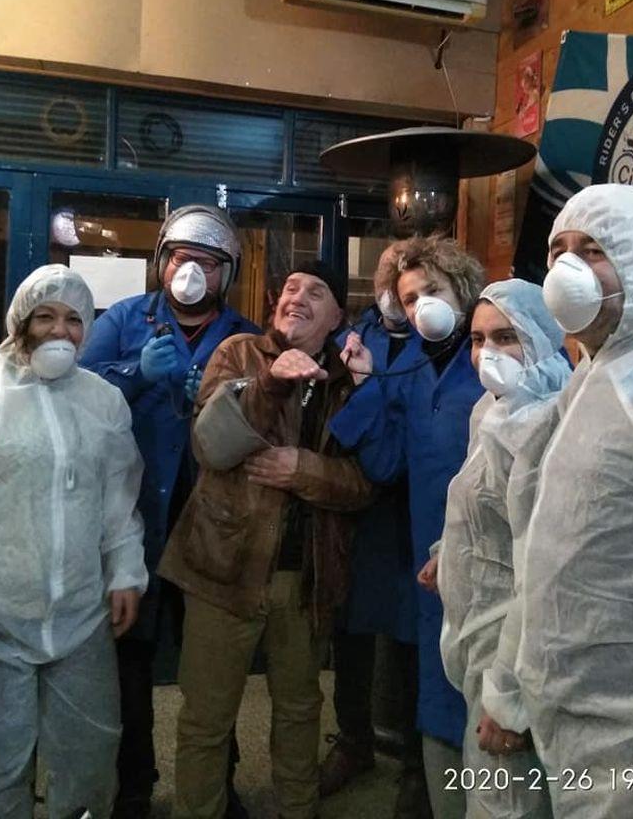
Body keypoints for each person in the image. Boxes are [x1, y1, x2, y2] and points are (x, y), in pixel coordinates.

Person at [159, 260, 374, 819]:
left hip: (304, 580)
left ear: (337, 317)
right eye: (291, 288)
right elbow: (210, 445)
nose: (297, 296)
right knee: (205, 719)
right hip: (222, 569)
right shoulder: (238, 353)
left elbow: (365, 483)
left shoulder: (349, 381)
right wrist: (271, 383)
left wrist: (304, 469)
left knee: (300, 712)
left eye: (317, 292)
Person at [518, 183, 633, 817]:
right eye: (559, 251)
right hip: (578, 719)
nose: (568, 269)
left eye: (594, 250)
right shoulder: (596, 371)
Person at [81, 204, 258, 819]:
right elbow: (80, 392)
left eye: (207, 263)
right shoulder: (124, 319)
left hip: (208, 521)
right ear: (162, 262)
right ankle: (133, 785)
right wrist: (135, 373)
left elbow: (263, 417)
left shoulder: (243, 335)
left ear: (226, 273)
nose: (191, 272)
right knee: (129, 663)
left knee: (212, 666)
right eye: (182, 258)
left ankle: (217, 784)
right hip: (133, 519)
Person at [0, 264, 147, 819]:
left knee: (90, 756)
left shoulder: (103, 400)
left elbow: (119, 498)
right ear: (20, 320)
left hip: (82, 617)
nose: (60, 331)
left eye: (73, 320)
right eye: (45, 316)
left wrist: (125, 571)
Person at [332, 235, 486, 819]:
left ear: (462, 290)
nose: (423, 306)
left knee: (495, 690)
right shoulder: (411, 366)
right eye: (410, 298)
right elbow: (385, 463)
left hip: (493, 551)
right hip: (428, 555)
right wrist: (368, 385)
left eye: (433, 291)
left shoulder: (496, 355)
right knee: (438, 684)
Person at [437, 279, 568, 818]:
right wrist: (447, 551)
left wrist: (508, 696)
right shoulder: (493, 410)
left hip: (513, 648)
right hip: (481, 634)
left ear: (540, 337)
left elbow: (544, 570)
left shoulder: (546, 423)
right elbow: (485, 506)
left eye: (506, 337)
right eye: (477, 339)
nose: (487, 353)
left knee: (506, 803)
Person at [322, 243, 429, 819]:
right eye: (389, 280)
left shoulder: (439, 342)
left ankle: (416, 761)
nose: (397, 294)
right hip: (359, 514)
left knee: (414, 640)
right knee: (353, 636)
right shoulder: (353, 339)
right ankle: (353, 740)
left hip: (414, 510)